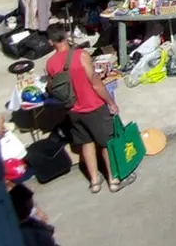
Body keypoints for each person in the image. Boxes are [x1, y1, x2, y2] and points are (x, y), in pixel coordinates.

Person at [44, 24, 132, 193]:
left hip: (73, 111)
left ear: (50, 42)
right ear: (67, 35)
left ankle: (94, 181)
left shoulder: (50, 64)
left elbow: (53, 87)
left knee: (86, 142)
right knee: (106, 143)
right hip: (94, 106)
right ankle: (112, 179)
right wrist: (111, 102)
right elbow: (96, 85)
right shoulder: (81, 56)